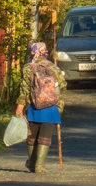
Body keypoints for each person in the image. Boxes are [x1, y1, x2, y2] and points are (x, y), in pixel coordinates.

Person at [14, 41, 67, 173]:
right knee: (45, 136)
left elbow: (24, 90)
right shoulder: (53, 68)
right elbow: (63, 85)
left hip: (34, 107)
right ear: (46, 53)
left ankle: (32, 164)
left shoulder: (28, 68)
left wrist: (20, 107)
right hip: (51, 108)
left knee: (32, 137)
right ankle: (40, 166)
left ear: (33, 53)